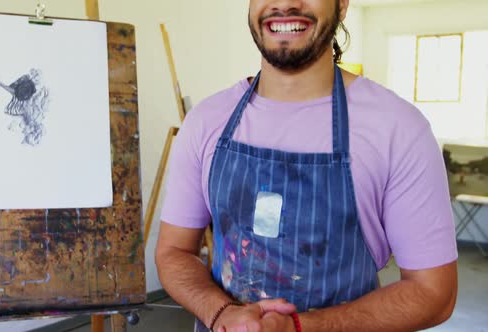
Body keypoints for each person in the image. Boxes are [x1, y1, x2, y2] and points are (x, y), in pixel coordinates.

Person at [155, 0, 458, 331]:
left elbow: (433, 293)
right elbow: (174, 251)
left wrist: (298, 327)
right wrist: (222, 312)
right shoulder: (206, 121)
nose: (285, 4)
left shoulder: (398, 129)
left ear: (342, 5)